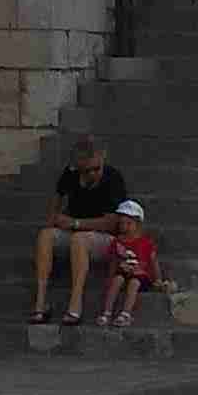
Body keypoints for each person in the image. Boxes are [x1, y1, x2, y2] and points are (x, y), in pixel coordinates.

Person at [30, 133, 126, 326]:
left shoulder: (113, 178)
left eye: (97, 168)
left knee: (79, 238)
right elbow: (56, 204)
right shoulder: (70, 173)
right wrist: (55, 220)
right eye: (87, 170)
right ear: (78, 167)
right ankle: (40, 303)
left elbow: (111, 223)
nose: (93, 174)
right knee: (46, 235)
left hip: (103, 239)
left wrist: (75, 223)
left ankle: (75, 304)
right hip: (75, 234)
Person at [99, 198, 166, 332]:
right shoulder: (117, 242)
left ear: (138, 224)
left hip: (140, 275)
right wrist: (110, 276)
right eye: (122, 223)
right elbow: (114, 261)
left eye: (129, 223)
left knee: (134, 283)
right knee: (117, 280)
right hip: (123, 271)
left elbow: (153, 261)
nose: (125, 226)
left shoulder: (145, 242)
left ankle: (126, 314)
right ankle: (107, 312)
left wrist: (158, 279)